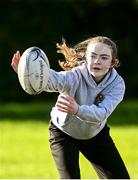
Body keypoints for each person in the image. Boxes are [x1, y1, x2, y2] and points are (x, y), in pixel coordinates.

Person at [11, 36, 130, 179]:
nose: (97, 61)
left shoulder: (117, 84)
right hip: (63, 133)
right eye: (93, 56)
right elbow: (53, 79)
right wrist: (28, 74)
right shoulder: (75, 76)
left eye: (104, 58)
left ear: (113, 62)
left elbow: (101, 113)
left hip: (94, 134)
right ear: (85, 57)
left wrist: (78, 110)